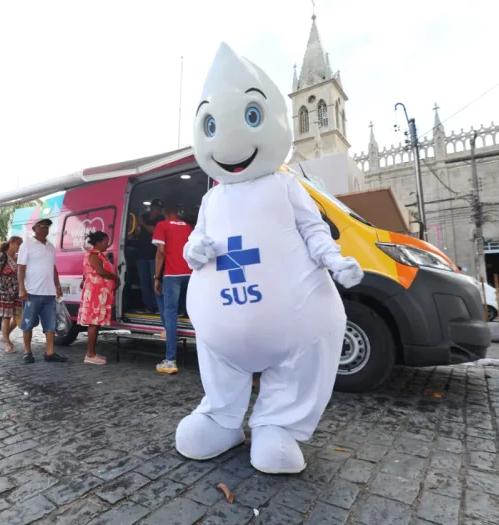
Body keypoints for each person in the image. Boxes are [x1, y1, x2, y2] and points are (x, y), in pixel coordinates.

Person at [175, 43, 363, 474]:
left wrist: (334, 260)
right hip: (222, 332)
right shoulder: (212, 197)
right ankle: (221, 417)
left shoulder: (286, 185)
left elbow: (314, 229)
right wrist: (195, 249)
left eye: (252, 116)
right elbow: (197, 242)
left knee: (300, 359)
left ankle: (278, 425)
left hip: (291, 329)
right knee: (219, 367)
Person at [17, 219, 66, 364]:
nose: (45, 229)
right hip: (32, 291)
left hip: (49, 292)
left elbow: (53, 268)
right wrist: (21, 288)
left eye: (47, 226)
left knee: (50, 325)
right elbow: (21, 267)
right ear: (34, 228)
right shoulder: (27, 245)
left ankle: (50, 352)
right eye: (42, 226)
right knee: (28, 323)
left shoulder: (50, 246)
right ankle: (27, 352)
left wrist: (57, 286)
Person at [152, 204, 193, 375]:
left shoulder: (162, 225)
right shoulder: (188, 226)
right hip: (191, 273)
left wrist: (156, 276)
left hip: (172, 275)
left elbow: (161, 251)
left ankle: (170, 360)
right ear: (177, 211)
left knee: (169, 313)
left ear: (164, 212)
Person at [78, 231, 119, 365]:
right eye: (105, 241)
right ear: (98, 242)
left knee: (95, 323)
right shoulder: (94, 254)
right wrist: (115, 278)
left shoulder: (99, 255)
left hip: (99, 292)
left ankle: (92, 352)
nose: (107, 243)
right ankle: (90, 354)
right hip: (96, 292)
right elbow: (100, 271)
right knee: (94, 323)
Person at [0, 236, 23, 352]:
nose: (20, 246)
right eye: (18, 244)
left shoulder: (18, 257)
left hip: (16, 290)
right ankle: (7, 342)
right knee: (6, 317)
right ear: (11, 242)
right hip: (4, 290)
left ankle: (5, 335)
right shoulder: (1, 256)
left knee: (17, 315)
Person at [134, 199, 164, 313]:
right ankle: (148, 306)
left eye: (159, 207)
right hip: (141, 254)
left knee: (155, 281)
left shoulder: (161, 219)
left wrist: (143, 224)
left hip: (154, 255)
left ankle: (157, 306)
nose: (157, 209)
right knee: (144, 282)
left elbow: (155, 231)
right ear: (151, 207)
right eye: (156, 206)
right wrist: (138, 226)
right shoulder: (144, 216)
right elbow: (136, 233)